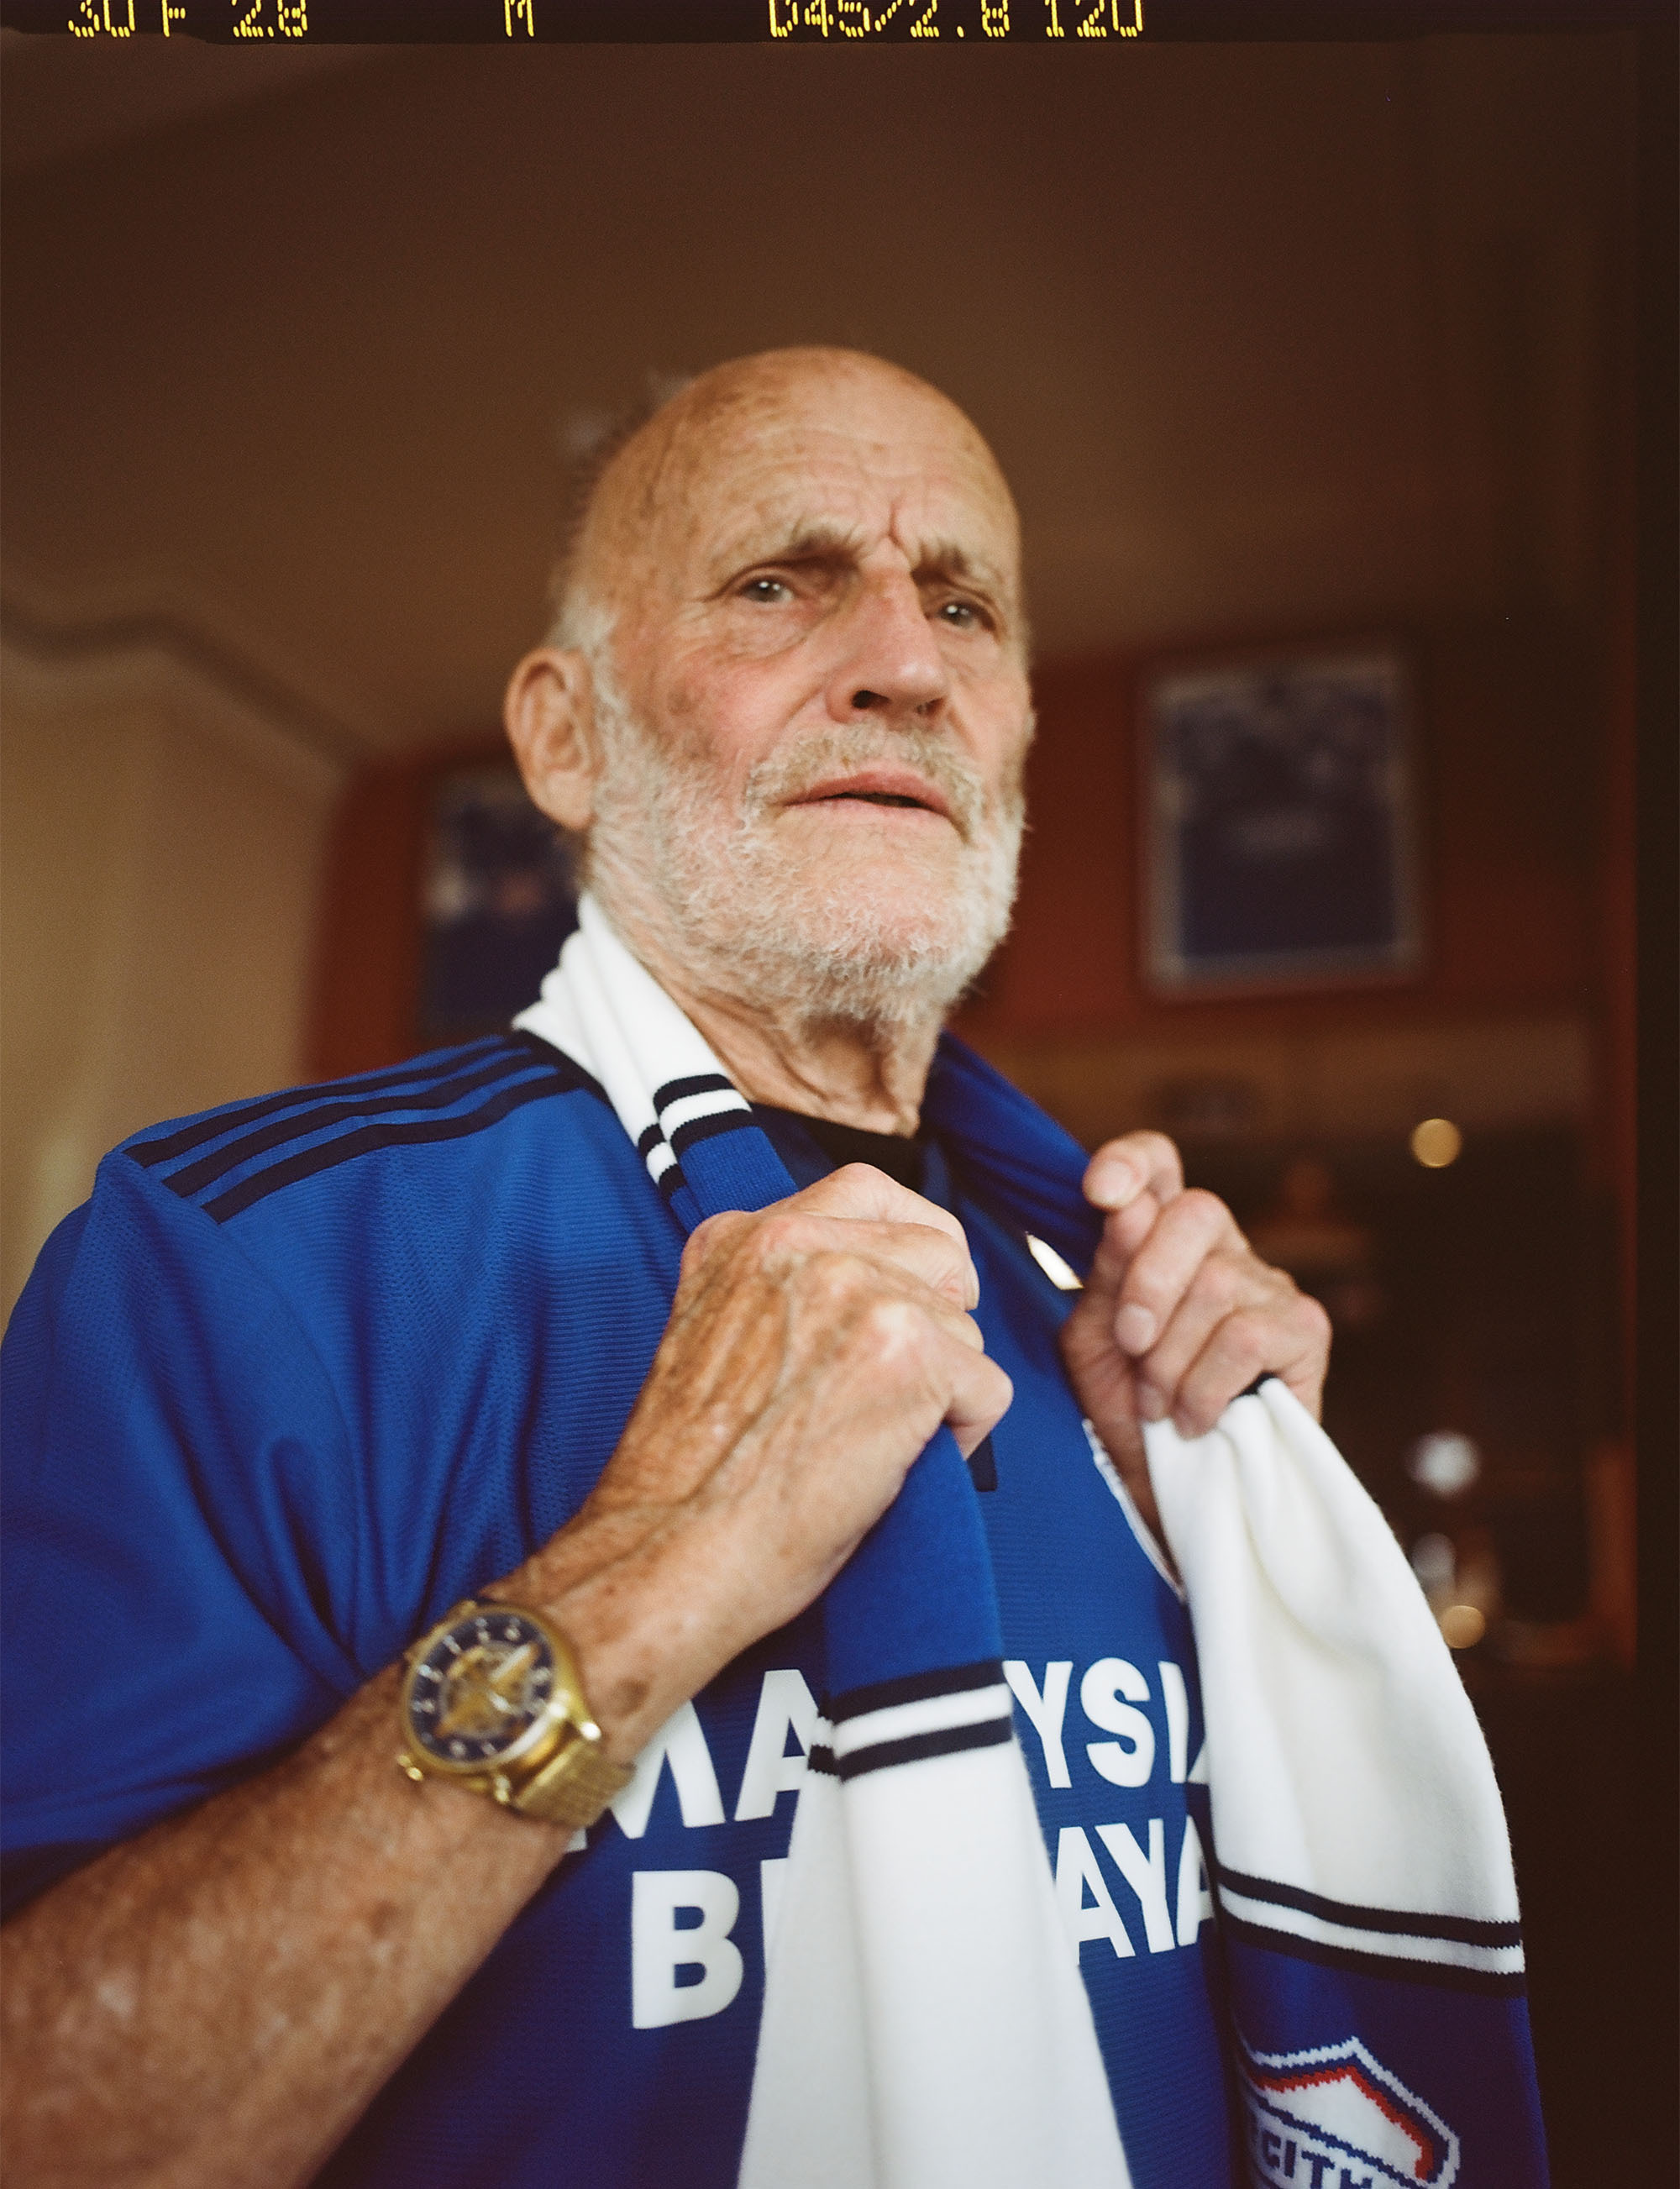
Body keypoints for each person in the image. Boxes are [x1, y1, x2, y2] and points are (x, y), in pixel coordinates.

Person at [0, 348, 1331, 2189]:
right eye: (780, 581)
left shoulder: (1118, 1299)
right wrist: (643, 1575)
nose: (903, 660)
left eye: (962, 603)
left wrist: (1255, 1543)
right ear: (565, 735)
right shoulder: (237, 1261)